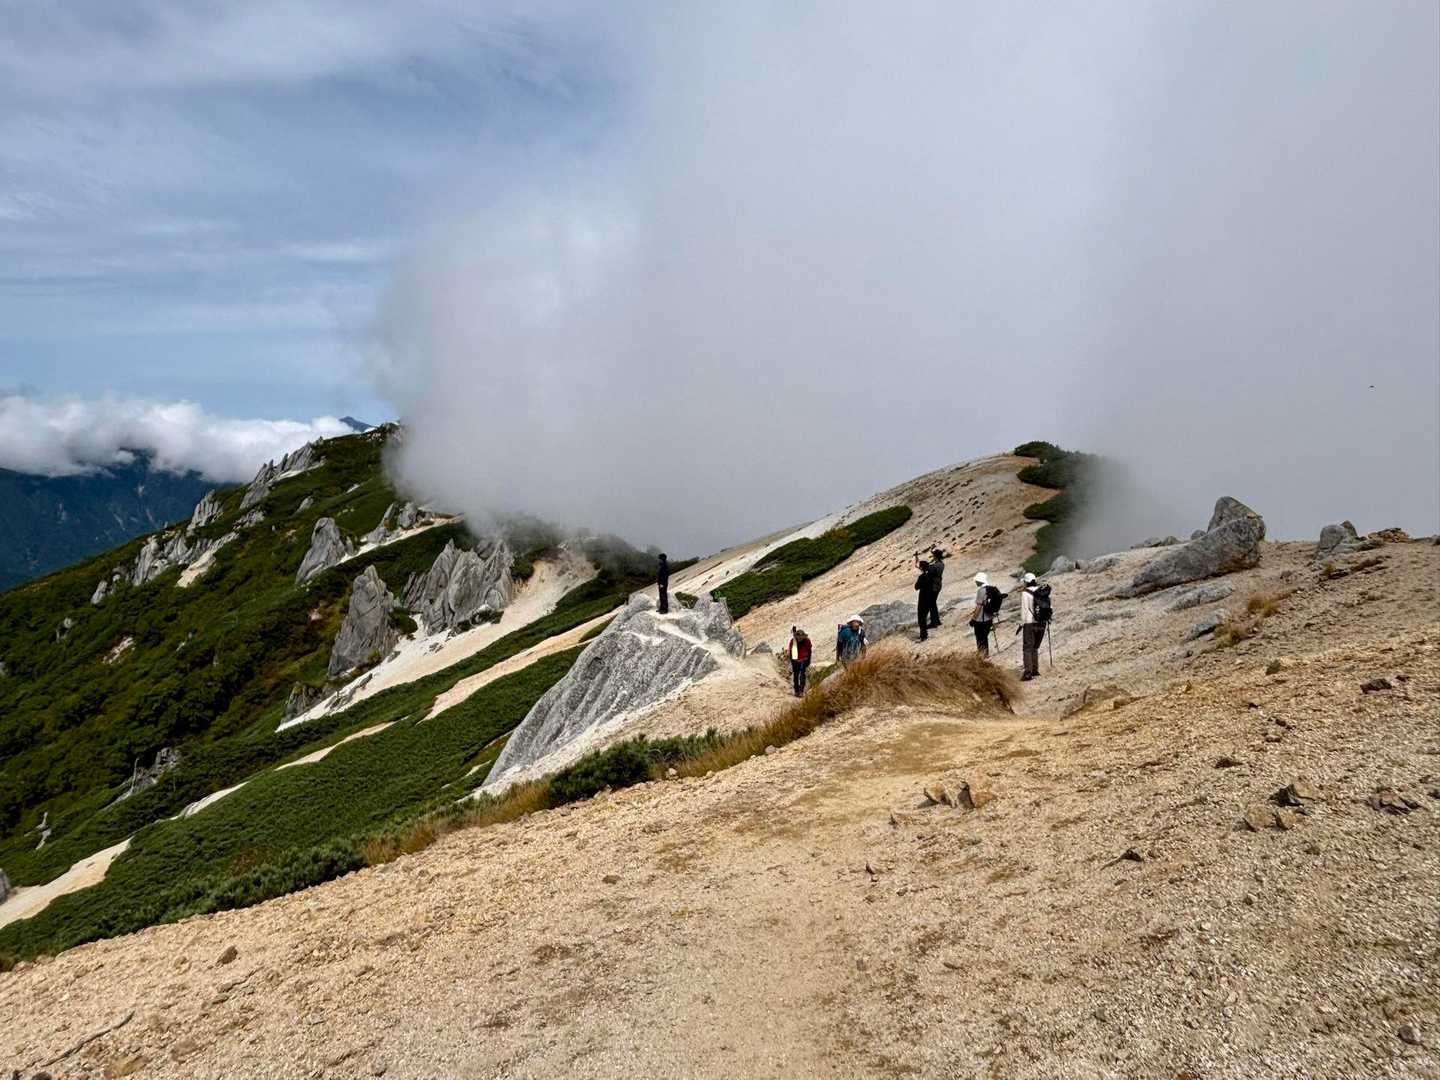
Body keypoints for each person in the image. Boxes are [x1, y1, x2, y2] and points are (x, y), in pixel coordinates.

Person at [1019, 572, 1045, 680]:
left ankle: (1028, 673)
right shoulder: (1042, 591)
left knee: (1027, 648)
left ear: (1026, 582)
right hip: (1042, 622)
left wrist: (1022, 624)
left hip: (1030, 623)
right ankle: (1035, 670)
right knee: (1035, 647)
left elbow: (1024, 610)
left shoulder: (1025, 593)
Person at [968, 571, 995, 656]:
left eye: (976, 580)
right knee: (984, 638)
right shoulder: (990, 589)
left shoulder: (981, 591)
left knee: (979, 638)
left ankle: (982, 655)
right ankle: (985, 654)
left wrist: (973, 619)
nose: (975, 582)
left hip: (981, 619)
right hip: (989, 618)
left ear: (980, 581)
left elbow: (979, 607)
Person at [914, 559, 940, 641]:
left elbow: (916, 587)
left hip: (923, 599)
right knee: (928, 614)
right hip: (932, 597)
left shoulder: (922, 577)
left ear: (922, 568)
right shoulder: (933, 574)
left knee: (921, 618)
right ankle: (935, 623)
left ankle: (923, 636)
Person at [787, 626, 813, 696]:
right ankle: (799, 691)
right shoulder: (806, 641)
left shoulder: (794, 641)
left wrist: (792, 661)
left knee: (798, 675)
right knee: (800, 675)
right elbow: (809, 651)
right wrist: (808, 660)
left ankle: (798, 691)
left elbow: (791, 653)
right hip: (801, 660)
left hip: (800, 660)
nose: (800, 639)